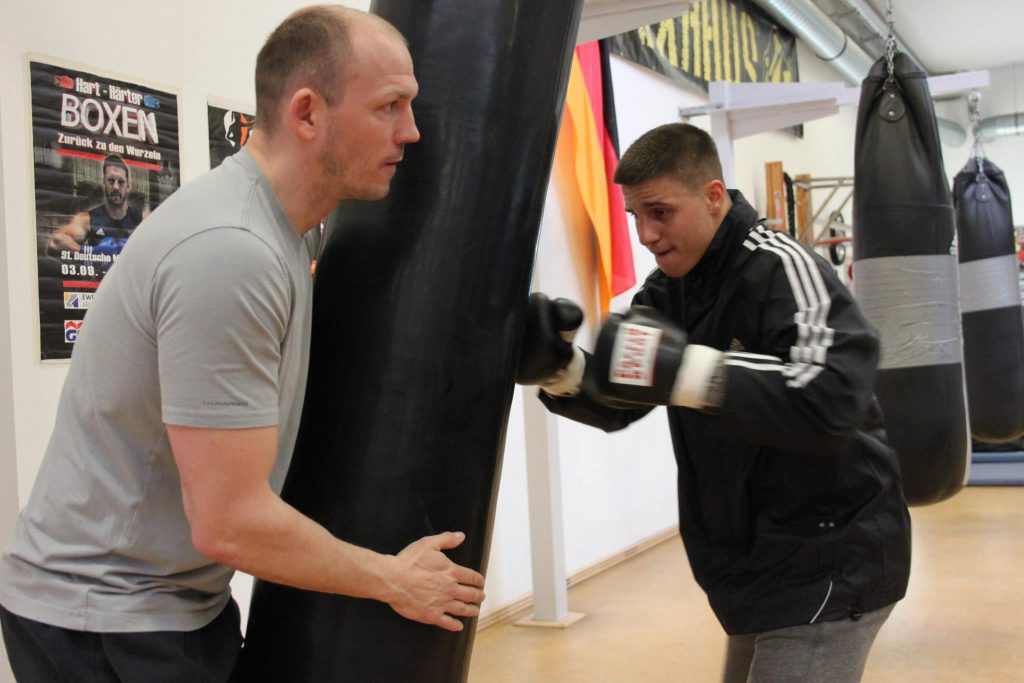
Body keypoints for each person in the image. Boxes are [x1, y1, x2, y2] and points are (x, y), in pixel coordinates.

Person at [1, 6, 485, 682]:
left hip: (174, 599)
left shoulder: (285, 229)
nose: (413, 131)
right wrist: (393, 579)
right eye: (390, 106)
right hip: (105, 620)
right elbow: (229, 521)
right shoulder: (231, 252)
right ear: (308, 113)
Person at [517, 123, 911, 683]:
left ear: (712, 196)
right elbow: (622, 398)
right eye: (635, 217)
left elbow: (832, 398)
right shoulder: (664, 293)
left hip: (830, 557)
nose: (646, 234)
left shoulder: (781, 268)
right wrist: (559, 371)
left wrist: (690, 370)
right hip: (750, 564)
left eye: (660, 212)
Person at [47, 154, 145, 258]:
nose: (116, 187)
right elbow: (55, 242)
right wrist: (94, 252)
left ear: (128, 185)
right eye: (111, 181)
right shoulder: (87, 219)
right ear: (104, 182)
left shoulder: (142, 220)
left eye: (121, 182)